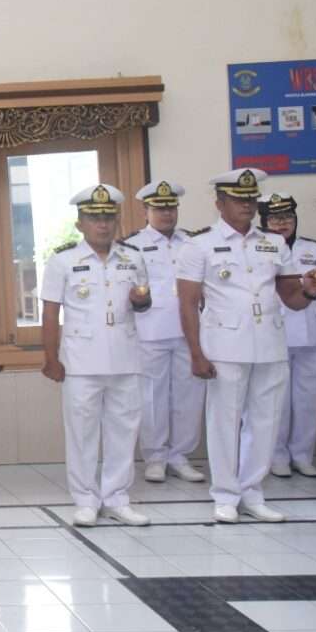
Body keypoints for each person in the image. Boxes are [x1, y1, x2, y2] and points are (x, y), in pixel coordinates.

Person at [177, 168, 316, 523]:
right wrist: (196, 353)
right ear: (219, 203)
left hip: (270, 343)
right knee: (225, 421)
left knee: (266, 421)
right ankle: (225, 495)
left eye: (250, 199)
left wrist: (309, 290)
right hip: (224, 345)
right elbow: (187, 303)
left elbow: (290, 296)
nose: (246, 205)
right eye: (238, 199)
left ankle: (252, 491)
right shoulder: (199, 244)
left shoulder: (273, 243)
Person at [40, 185, 153, 527]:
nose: (102, 225)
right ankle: (86, 499)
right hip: (80, 360)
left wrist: (140, 301)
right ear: (80, 224)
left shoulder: (133, 257)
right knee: (82, 432)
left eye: (108, 217)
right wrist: (51, 358)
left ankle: (118, 497)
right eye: (94, 218)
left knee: (124, 430)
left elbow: (145, 303)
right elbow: (49, 313)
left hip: (124, 356)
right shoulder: (63, 261)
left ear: (117, 220)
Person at [125, 180, 205, 483]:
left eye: (171, 207)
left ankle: (180, 456)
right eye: (159, 208)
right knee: (152, 397)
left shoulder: (194, 243)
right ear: (146, 210)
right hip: (150, 330)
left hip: (191, 330)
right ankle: (155, 457)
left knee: (189, 396)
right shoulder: (132, 245)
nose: (166, 213)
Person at [258, 193, 316, 478]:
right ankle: (277, 456)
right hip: (275, 334)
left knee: (308, 399)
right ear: (264, 221)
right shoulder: (259, 248)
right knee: (277, 402)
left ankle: (303, 455)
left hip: (311, 334)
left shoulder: (314, 250)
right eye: (275, 218)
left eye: (287, 218)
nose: (282, 223)